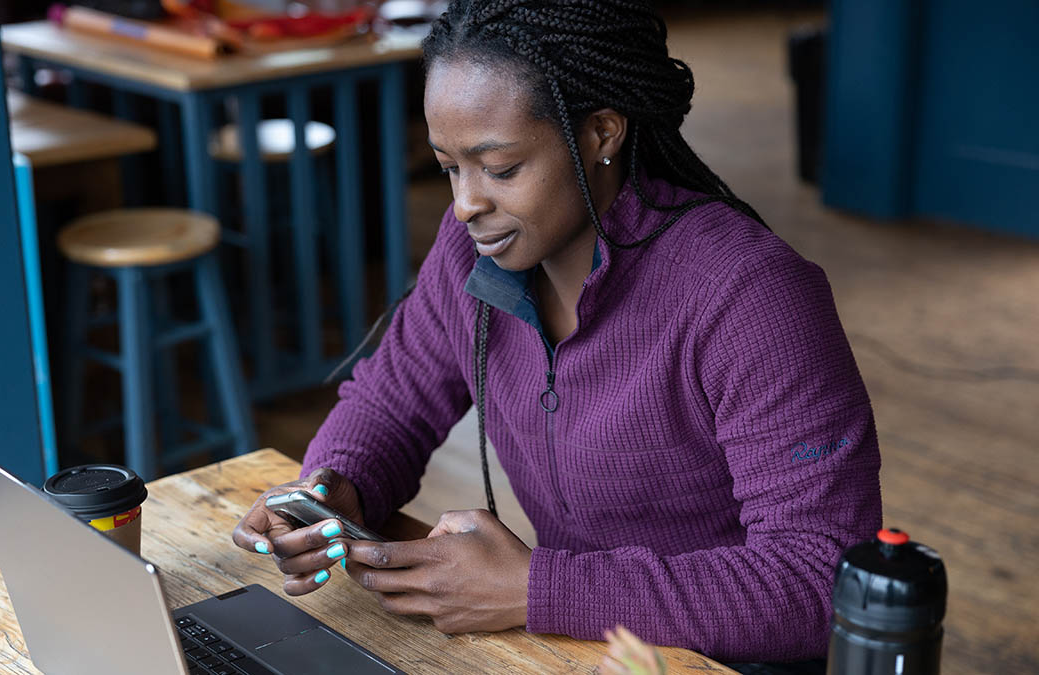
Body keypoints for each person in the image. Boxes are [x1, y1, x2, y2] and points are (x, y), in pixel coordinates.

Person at [232, 0, 880, 671]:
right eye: (450, 166)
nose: (465, 204)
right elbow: (392, 402)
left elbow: (818, 579)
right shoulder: (471, 253)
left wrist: (537, 586)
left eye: (501, 168)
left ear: (602, 132)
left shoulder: (751, 296)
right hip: (571, 648)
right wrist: (334, 487)